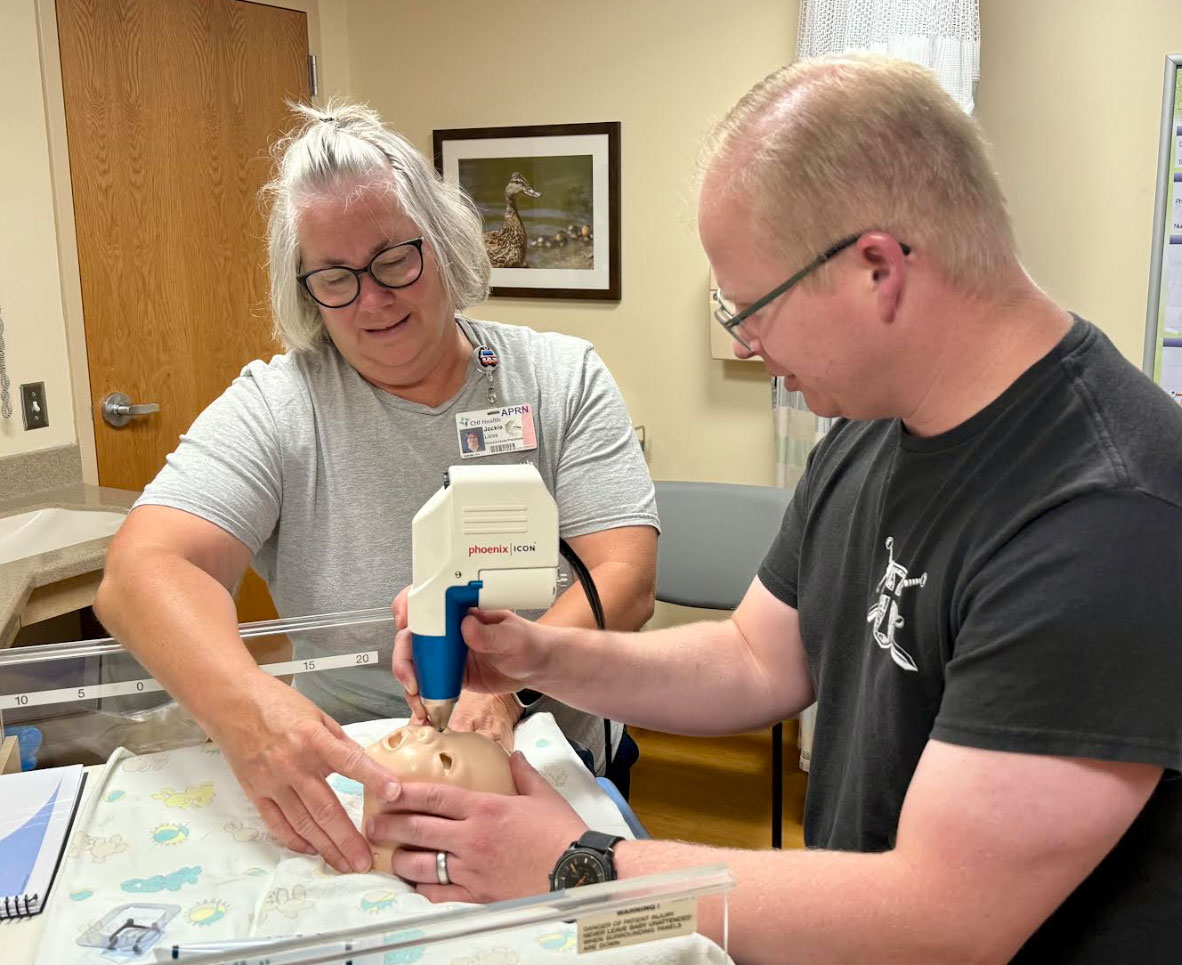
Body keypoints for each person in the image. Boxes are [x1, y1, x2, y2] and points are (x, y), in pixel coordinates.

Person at [381, 55, 1182, 962]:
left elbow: (942, 921)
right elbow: (756, 655)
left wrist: (576, 869)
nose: (746, 345)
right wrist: (536, 656)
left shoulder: (1108, 516)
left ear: (876, 269)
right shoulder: (875, 422)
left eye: (749, 308)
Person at [95, 100, 658, 878]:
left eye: (394, 260)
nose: (371, 300)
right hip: (355, 764)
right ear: (306, 288)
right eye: (335, 278)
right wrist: (248, 712)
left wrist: (509, 687)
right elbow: (138, 573)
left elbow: (625, 577)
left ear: (444, 243)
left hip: (545, 743)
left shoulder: (561, 379)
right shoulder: (279, 407)